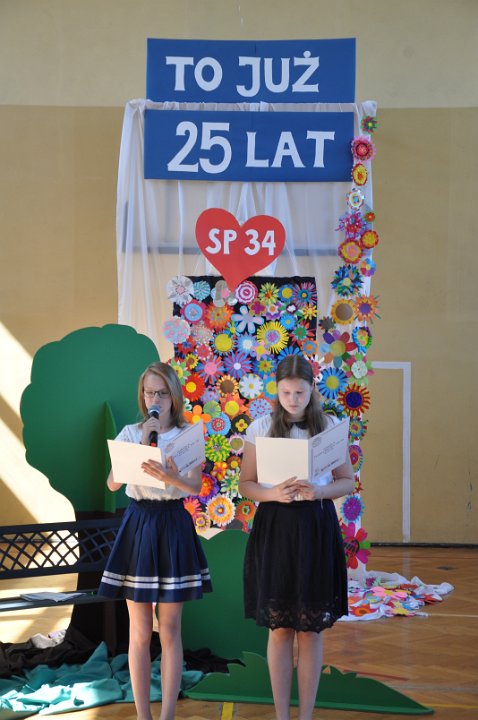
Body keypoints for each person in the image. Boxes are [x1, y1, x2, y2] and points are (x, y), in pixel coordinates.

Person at [238, 354, 355, 720]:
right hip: (276, 527)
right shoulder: (260, 427)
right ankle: (281, 715)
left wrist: (318, 491)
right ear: (276, 390)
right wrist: (273, 493)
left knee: (310, 631)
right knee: (280, 629)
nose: (293, 399)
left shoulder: (329, 426)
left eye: (300, 392)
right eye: (286, 392)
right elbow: (246, 484)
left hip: (315, 526)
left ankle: (305, 715)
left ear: (312, 389)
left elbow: (347, 481)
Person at [98, 361, 211, 720]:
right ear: (142, 395)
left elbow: (194, 487)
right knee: (140, 630)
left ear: (174, 395)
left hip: (173, 523)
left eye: (162, 393)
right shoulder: (131, 433)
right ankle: (143, 714)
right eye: (149, 393)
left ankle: (167, 715)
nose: (155, 399)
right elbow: (112, 484)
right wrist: (140, 447)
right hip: (139, 523)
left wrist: (170, 477)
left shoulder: (188, 434)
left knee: (171, 628)